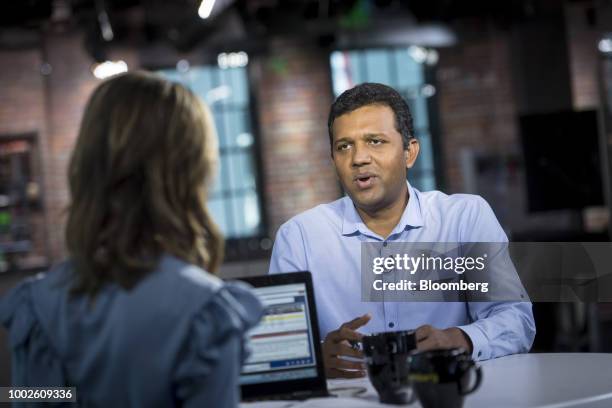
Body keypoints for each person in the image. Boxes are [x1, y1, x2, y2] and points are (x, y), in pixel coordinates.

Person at [0, 72, 262, 406]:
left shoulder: (37, 307)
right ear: (190, 173)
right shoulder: (204, 313)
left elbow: (32, 397)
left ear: (87, 164)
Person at [269, 82, 535, 379]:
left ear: (409, 152)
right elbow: (279, 352)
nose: (358, 158)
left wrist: (458, 339)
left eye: (375, 141)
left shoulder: (463, 219)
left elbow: (516, 321)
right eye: (344, 146)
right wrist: (316, 359)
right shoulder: (299, 238)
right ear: (334, 160)